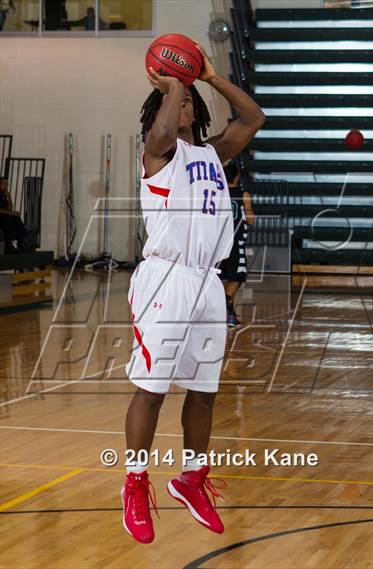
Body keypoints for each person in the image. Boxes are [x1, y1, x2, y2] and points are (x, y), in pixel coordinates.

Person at [122, 43, 265, 544]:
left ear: (198, 109)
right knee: (153, 391)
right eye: (173, 99)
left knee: (204, 393)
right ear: (161, 100)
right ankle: (135, 485)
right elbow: (162, 128)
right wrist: (173, 80)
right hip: (166, 279)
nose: (181, 106)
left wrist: (207, 74)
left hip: (207, 281)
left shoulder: (211, 152)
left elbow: (254, 115)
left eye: (187, 101)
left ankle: (191, 478)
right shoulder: (157, 150)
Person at [218, 162, 255, 327]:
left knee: (221, 276)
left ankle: (229, 314)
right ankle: (223, 304)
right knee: (237, 277)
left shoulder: (218, 193)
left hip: (218, 241)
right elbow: (251, 220)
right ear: (236, 177)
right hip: (235, 240)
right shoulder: (243, 194)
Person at [0, 176, 28, 254]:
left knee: (15, 217)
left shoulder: (3, 195)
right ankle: (10, 244)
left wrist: (9, 197)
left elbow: (9, 209)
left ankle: (20, 241)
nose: (6, 186)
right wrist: (10, 213)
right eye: (4, 184)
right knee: (6, 218)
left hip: (3, 217)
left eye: (7, 184)